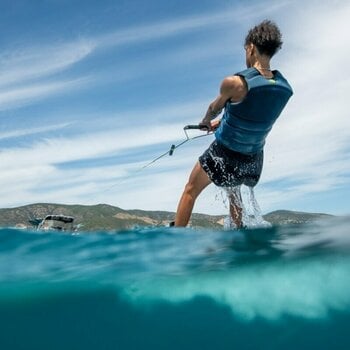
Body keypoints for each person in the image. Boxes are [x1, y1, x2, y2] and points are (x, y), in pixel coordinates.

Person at [174, 20, 293, 228]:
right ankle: (238, 236)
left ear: (251, 48)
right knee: (234, 191)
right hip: (253, 158)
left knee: (190, 190)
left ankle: (176, 236)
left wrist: (206, 121)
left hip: (225, 152)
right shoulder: (284, 89)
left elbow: (214, 107)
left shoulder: (235, 84)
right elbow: (253, 116)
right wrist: (221, 123)